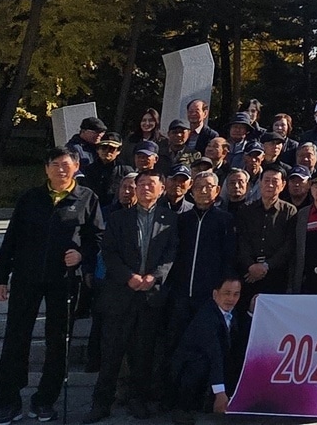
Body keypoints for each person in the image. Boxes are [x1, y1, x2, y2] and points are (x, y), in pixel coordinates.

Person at [0, 147, 103, 425]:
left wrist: (82, 255)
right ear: (46, 168)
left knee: (58, 341)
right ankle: (8, 401)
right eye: (55, 164)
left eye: (66, 164)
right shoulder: (31, 198)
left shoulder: (87, 198)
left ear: (76, 166)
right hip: (27, 277)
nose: (61, 170)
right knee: (16, 338)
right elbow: (12, 238)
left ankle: (45, 400)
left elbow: (98, 237)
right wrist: (0, 277)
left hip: (63, 281)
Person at [83, 170, 179, 423]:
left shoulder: (169, 219)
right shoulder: (118, 218)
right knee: (111, 354)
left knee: (143, 354)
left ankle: (139, 400)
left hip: (149, 297)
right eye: (142, 184)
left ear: (161, 190)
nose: (146, 188)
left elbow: (171, 253)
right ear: (134, 189)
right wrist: (129, 277)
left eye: (152, 185)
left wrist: (155, 276)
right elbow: (109, 252)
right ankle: (101, 403)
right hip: (120, 295)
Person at [166, 171, 237, 397]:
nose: (203, 191)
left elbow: (229, 258)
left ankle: (203, 398)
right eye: (199, 187)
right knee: (178, 346)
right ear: (191, 190)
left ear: (217, 191)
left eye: (209, 187)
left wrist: (221, 293)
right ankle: (173, 396)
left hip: (209, 297)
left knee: (208, 349)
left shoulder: (224, 220)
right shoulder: (182, 220)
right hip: (181, 294)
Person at [169, 276, 247, 425]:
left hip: (213, 364)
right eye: (227, 293)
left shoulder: (232, 312)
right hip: (187, 370)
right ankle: (183, 407)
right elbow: (214, 354)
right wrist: (220, 393)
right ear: (215, 294)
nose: (231, 299)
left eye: (236, 294)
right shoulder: (207, 317)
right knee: (201, 362)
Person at [235, 168, 298, 307]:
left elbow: (288, 245)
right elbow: (241, 242)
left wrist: (266, 266)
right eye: (266, 181)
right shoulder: (246, 210)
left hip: (276, 275)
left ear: (283, 185)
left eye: (275, 181)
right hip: (248, 274)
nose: (270, 185)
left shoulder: (290, 211)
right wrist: (251, 266)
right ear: (260, 183)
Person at [85, 134, 133, 208]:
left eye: (111, 148)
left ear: (118, 151)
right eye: (103, 147)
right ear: (97, 150)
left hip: (118, 210)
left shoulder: (126, 171)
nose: (107, 151)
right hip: (94, 209)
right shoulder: (89, 170)